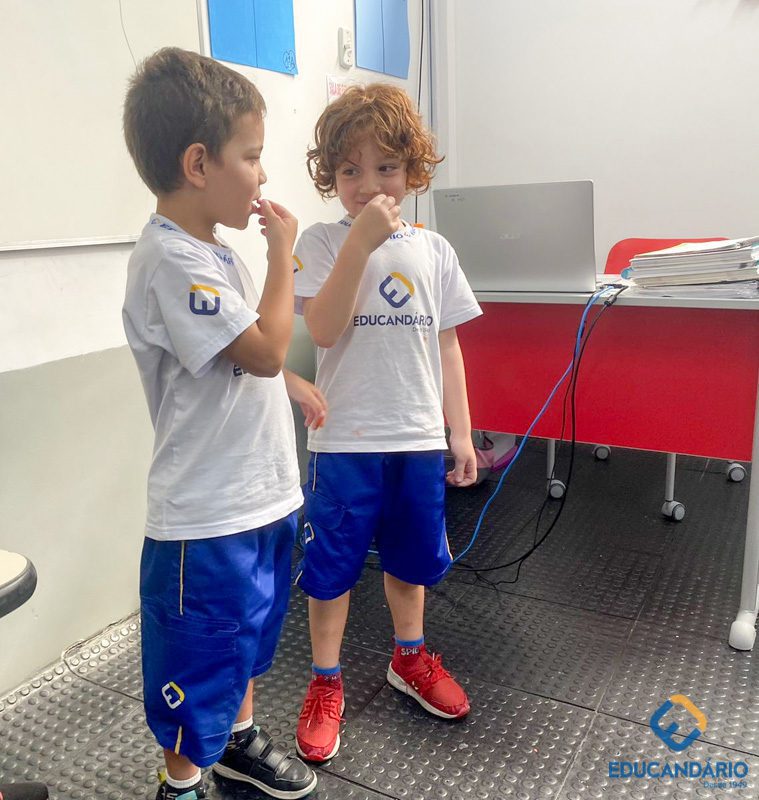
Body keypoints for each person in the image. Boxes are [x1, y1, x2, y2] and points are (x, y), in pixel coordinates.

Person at [122, 47, 322, 800]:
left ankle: (236, 741)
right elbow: (265, 349)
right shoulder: (172, 261)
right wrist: (284, 257)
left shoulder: (215, 255)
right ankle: (180, 784)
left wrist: (292, 382)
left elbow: (236, 361)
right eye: (253, 156)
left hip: (259, 499)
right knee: (198, 660)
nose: (263, 176)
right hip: (205, 520)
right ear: (199, 164)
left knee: (244, 641)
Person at [292, 83, 482, 763]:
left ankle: (409, 657)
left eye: (385, 167)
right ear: (330, 176)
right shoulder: (321, 242)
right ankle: (325, 680)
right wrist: (361, 244)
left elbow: (447, 345)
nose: (368, 184)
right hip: (345, 441)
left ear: (412, 170)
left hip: (416, 439)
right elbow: (322, 327)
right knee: (330, 571)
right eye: (350, 170)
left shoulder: (434, 250)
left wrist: (460, 432)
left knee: (409, 561)